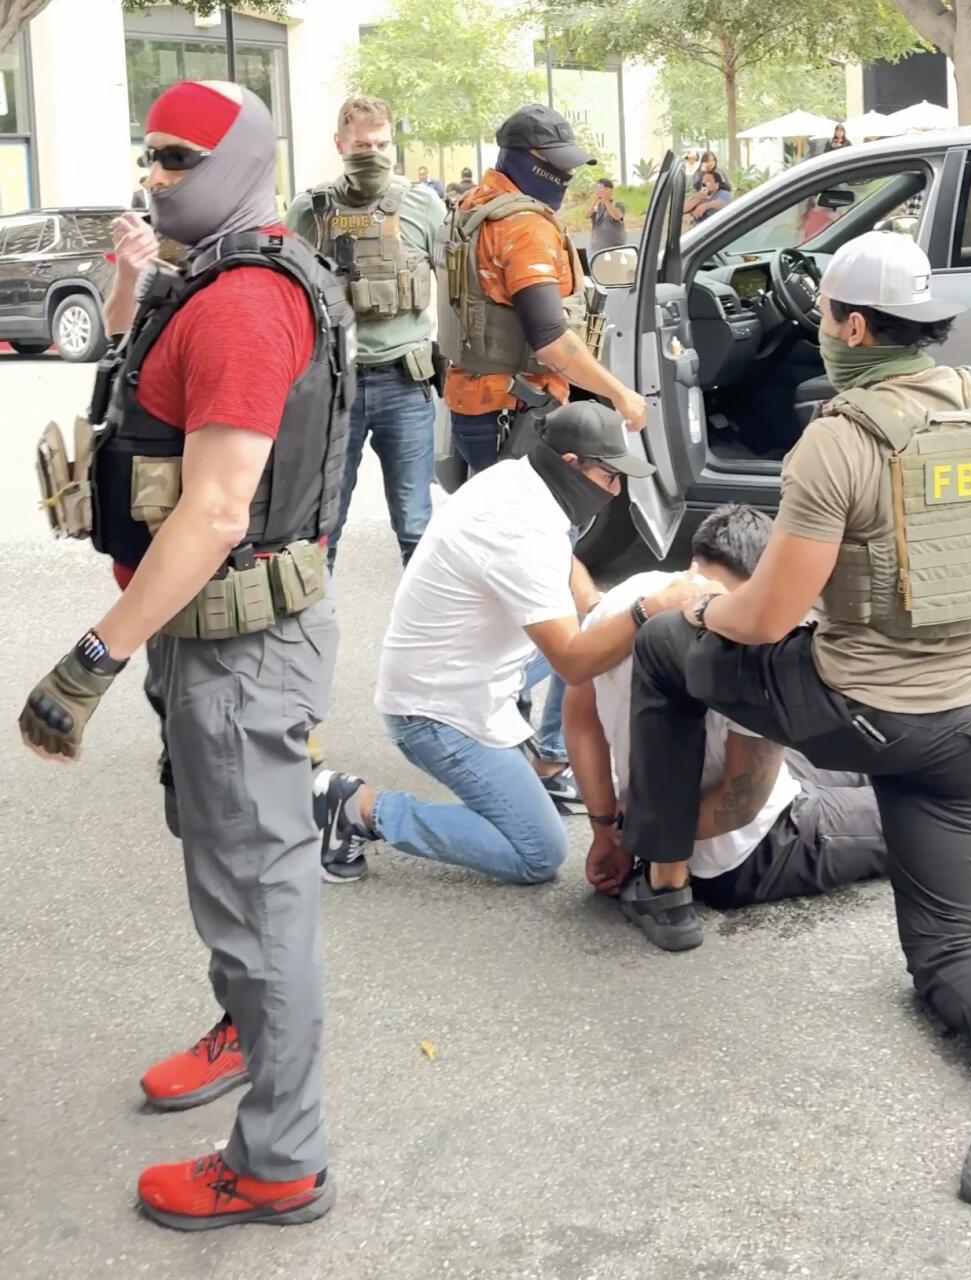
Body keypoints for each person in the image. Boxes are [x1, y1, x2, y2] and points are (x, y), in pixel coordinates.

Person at [616, 229, 971, 1210]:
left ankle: (666, 888)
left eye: (823, 318)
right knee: (949, 946)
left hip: (856, 711)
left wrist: (701, 610)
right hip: (970, 721)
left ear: (851, 327)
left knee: (665, 651)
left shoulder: (838, 441)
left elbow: (765, 617)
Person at [22, 79, 352, 1230]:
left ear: (241, 163)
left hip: (237, 647)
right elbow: (140, 385)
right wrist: (127, 279)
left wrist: (90, 662)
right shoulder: (212, 271)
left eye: (177, 158)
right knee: (229, 877)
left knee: (260, 898)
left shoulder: (243, 303)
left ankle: (279, 1160)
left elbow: (213, 511)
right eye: (148, 155)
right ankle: (245, 1028)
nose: (153, 175)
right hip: (215, 641)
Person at [566, 506, 971, 911]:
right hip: (750, 850)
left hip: (716, 798)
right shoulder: (737, 641)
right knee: (943, 829)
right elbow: (742, 801)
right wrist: (646, 840)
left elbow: (580, 717)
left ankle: (950, 756)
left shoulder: (633, 596)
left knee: (882, 750)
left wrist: (606, 829)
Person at [312, 402, 713, 885]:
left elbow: (563, 562)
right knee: (538, 852)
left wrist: (597, 608)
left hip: (467, 661)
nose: (615, 490)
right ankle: (358, 808)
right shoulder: (517, 529)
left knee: (603, 628)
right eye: (610, 476)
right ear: (572, 464)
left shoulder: (522, 479)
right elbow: (573, 663)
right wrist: (649, 607)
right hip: (434, 711)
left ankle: (548, 762)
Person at [439, 102, 647, 474]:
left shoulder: (474, 204)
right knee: (532, 511)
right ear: (526, 157)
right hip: (514, 410)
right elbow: (551, 340)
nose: (567, 173)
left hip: (474, 402)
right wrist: (620, 394)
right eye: (558, 162)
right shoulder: (523, 225)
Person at [285, 96, 443, 574]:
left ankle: (425, 621)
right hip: (336, 386)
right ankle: (312, 619)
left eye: (381, 145)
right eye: (361, 146)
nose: (372, 154)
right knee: (321, 527)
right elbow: (287, 297)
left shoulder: (423, 204)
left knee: (416, 525)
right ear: (340, 144)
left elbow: (455, 290)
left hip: (406, 383)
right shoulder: (309, 209)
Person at [587, 177, 627, 252]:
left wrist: (606, 201)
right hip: (596, 248)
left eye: (601, 188)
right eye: (597, 189)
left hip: (615, 248)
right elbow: (587, 215)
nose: (598, 191)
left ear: (609, 190)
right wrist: (595, 200)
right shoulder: (596, 206)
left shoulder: (618, 204)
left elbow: (617, 216)